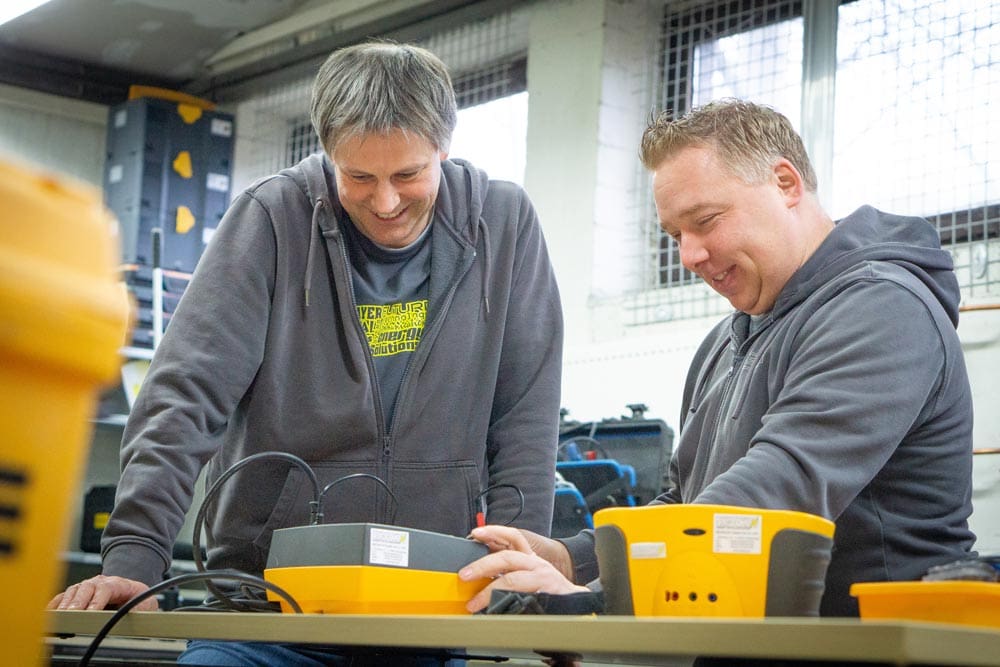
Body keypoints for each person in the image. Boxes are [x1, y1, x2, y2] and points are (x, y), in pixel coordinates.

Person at [49, 40, 564, 666]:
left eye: (408, 175)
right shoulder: (271, 219)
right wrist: (134, 555)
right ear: (326, 154)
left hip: (432, 609)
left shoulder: (503, 225)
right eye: (358, 177)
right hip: (266, 612)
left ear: (444, 148)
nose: (385, 203)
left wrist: (523, 570)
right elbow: (186, 396)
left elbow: (526, 416)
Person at [461, 98, 976, 621]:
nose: (688, 255)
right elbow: (686, 504)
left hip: (871, 650)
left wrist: (601, 598)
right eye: (675, 236)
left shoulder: (884, 308)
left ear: (786, 183)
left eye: (705, 221)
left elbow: (779, 488)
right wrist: (573, 559)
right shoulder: (727, 343)